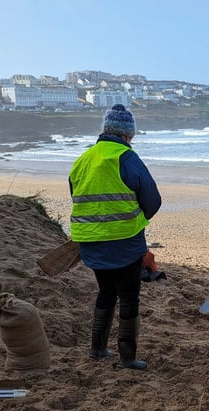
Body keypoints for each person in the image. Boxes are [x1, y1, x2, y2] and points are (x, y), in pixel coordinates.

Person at [69, 104, 162, 370]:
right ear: (128, 134)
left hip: (90, 244)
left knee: (105, 291)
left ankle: (97, 348)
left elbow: (77, 195)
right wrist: (136, 216)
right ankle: (127, 357)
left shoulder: (83, 159)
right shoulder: (126, 157)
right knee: (129, 297)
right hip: (125, 242)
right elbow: (153, 201)